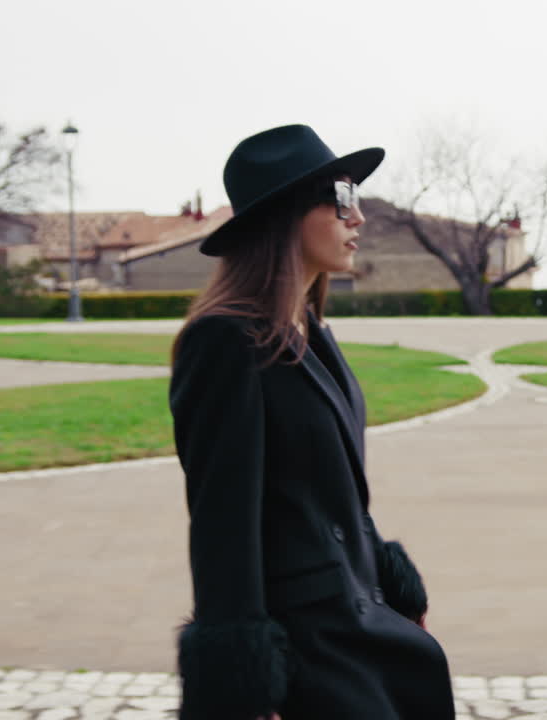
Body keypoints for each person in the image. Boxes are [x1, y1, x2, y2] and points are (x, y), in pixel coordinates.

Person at [168, 125, 453, 720]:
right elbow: (223, 524)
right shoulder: (224, 340)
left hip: (358, 621)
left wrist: (391, 578)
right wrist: (244, 684)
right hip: (303, 647)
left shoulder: (312, 334)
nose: (360, 219)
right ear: (287, 215)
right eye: (343, 198)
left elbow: (338, 495)